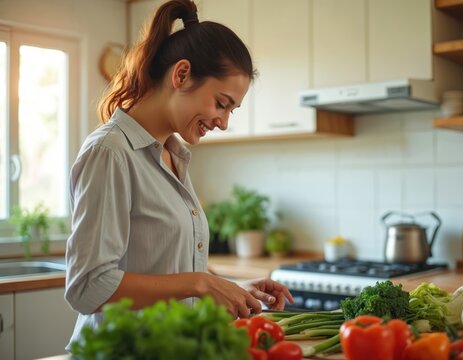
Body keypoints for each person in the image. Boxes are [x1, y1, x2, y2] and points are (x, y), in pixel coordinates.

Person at [64, 0, 293, 347]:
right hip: (120, 352)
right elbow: (87, 286)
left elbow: (165, 265)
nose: (224, 122)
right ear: (181, 74)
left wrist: (229, 288)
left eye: (231, 109)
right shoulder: (111, 152)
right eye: (221, 103)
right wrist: (200, 284)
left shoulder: (172, 154)